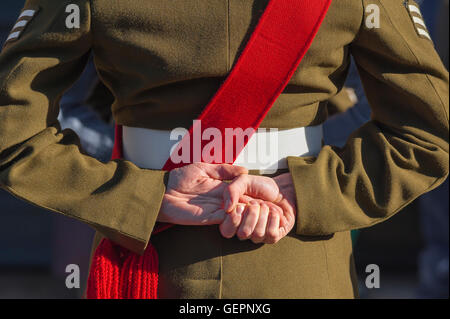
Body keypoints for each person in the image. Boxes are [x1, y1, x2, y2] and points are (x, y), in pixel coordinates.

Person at [0, 0, 448, 299]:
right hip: (296, 267)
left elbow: (11, 131)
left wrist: (136, 199)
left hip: (150, 262)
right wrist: (310, 193)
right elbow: (430, 131)